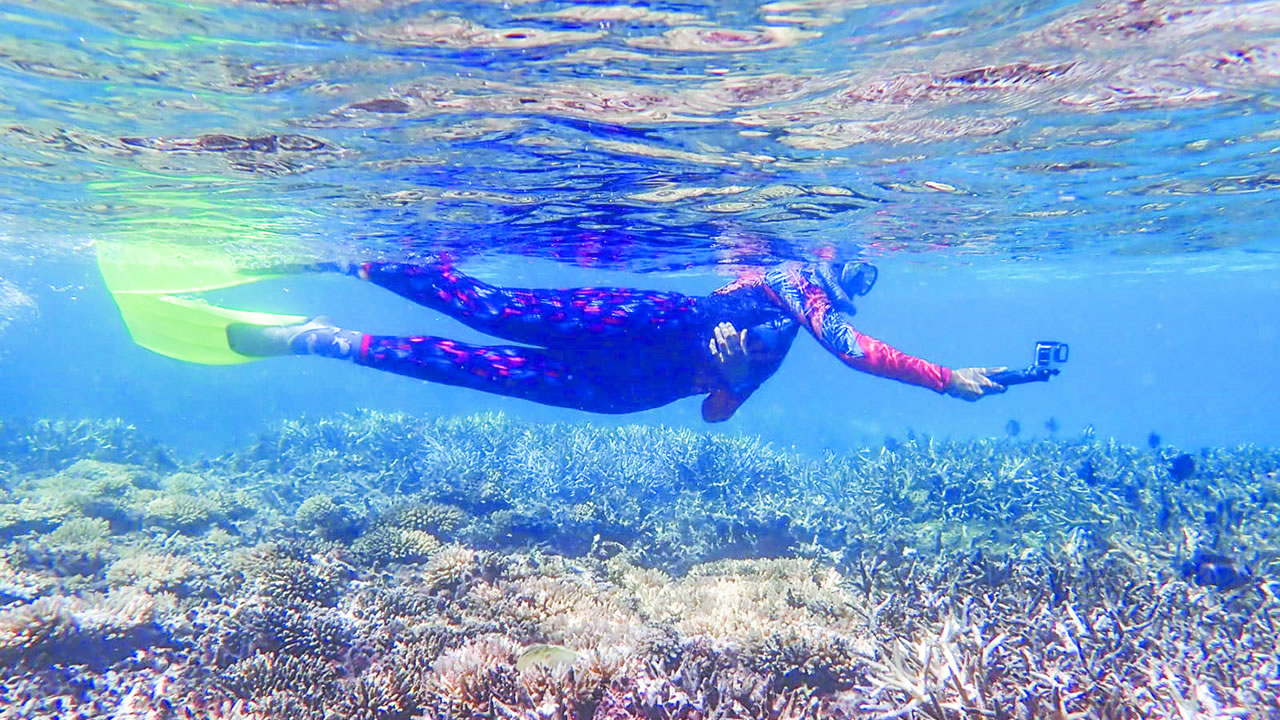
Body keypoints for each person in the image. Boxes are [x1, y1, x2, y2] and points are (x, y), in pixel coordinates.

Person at [227, 260, 1006, 422]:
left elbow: (716, 417)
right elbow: (854, 351)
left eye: (853, 282)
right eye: (846, 271)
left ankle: (319, 339)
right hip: (640, 325)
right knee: (491, 313)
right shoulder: (794, 278)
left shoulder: (791, 338)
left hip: (636, 386)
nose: (843, 286)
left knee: (480, 368)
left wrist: (726, 382)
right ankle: (347, 258)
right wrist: (943, 378)